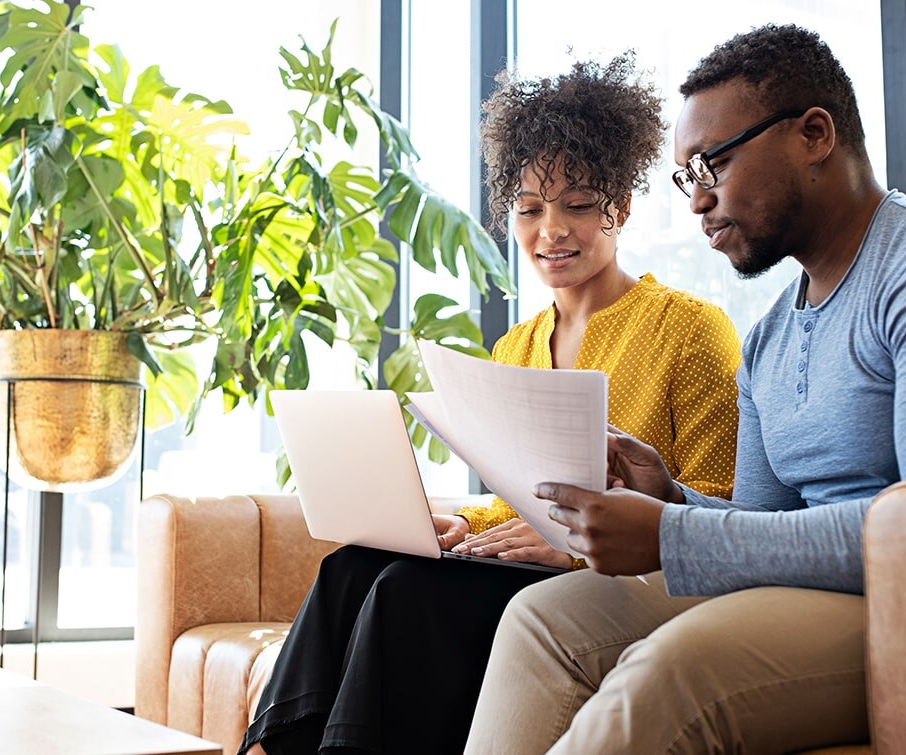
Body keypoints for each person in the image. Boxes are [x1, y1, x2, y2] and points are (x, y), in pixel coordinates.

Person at [464, 24, 906, 754]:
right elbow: (759, 528)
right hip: (837, 595)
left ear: (813, 134)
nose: (697, 200)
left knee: (675, 670)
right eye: (687, 176)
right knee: (544, 622)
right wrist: (672, 498)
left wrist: (671, 531)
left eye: (713, 164)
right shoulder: (772, 335)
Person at [240, 54, 742, 754]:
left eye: (577, 205)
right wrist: (447, 521)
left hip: (621, 581)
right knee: (350, 567)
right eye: (530, 209)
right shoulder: (515, 346)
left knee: (404, 596)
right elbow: (515, 503)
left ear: (620, 207)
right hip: (527, 567)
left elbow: (716, 505)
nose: (551, 232)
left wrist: (571, 550)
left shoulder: (690, 329)